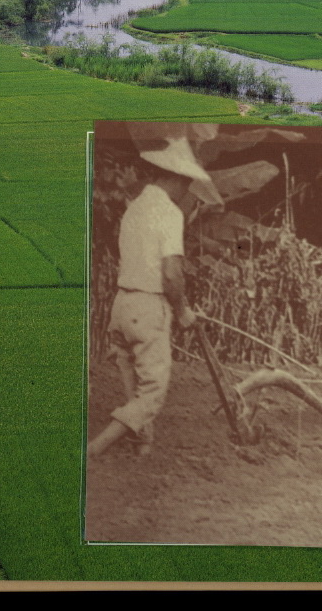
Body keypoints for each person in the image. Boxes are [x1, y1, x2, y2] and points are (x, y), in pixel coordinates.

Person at [88, 136, 211, 458]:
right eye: (187, 183)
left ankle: (142, 448)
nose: (187, 190)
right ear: (175, 177)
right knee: (152, 392)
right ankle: (94, 450)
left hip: (122, 305)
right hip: (147, 306)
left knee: (134, 386)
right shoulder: (169, 213)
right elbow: (171, 272)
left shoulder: (134, 209)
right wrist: (182, 311)